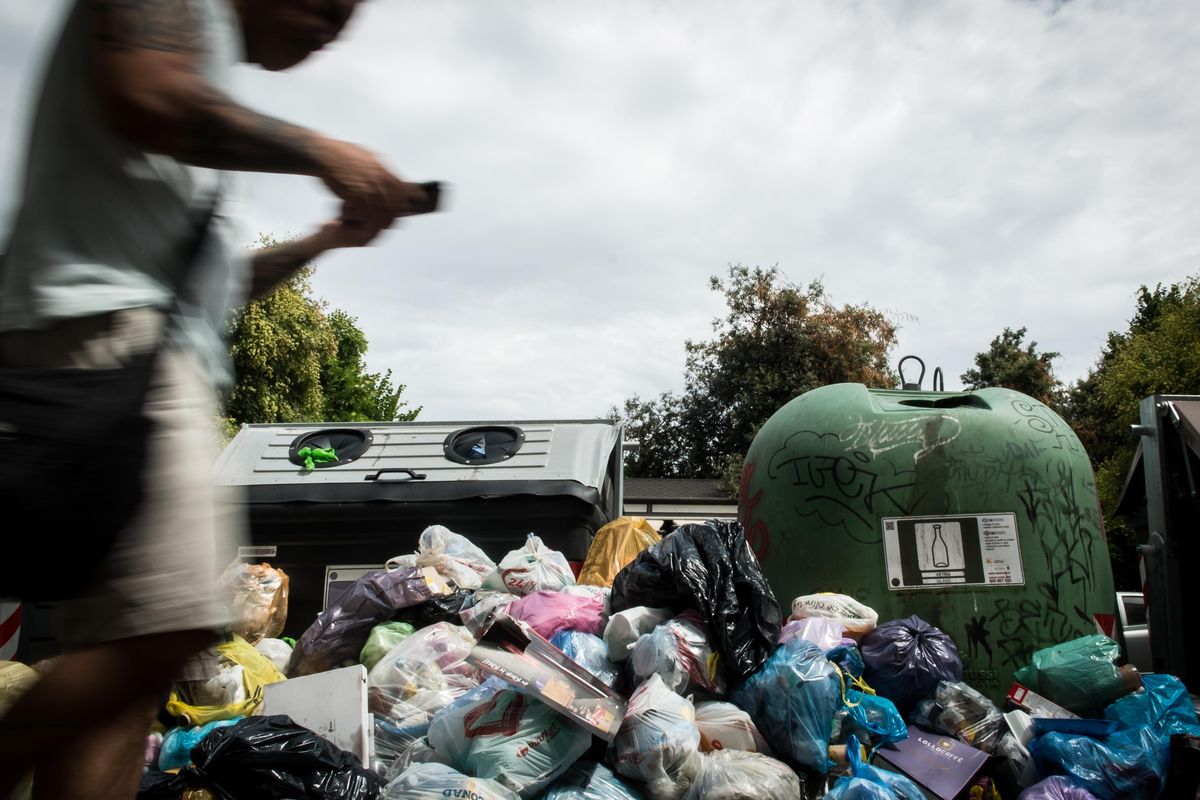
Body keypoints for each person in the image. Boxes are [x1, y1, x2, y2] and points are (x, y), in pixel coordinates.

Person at [0, 1, 434, 798]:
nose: (329, 28)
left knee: (129, 681)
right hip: (103, 346)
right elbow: (144, 93)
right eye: (327, 6)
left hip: (144, 363)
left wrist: (325, 240)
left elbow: (214, 292)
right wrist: (317, 149)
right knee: (168, 630)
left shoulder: (200, 79)